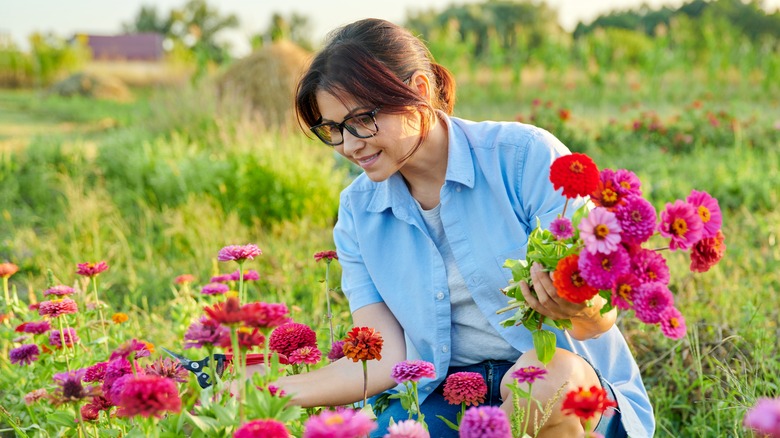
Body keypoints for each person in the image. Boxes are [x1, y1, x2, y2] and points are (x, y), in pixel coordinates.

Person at [272, 18, 655, 437]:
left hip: (570, 391)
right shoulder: (358, 213)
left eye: (362, 120)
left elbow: (596, 321)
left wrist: (578, 307)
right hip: (446, 393)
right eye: (333, 130)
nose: (349, 145)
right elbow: (383, 357)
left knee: (541, 382)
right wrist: (266, 389)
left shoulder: (524, 159)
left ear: (418, 90)